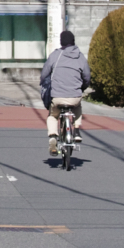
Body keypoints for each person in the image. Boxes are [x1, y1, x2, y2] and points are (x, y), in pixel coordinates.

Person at [37, 28, 90, 156]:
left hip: (57, 97)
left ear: (61, 42)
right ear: (73, 41)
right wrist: (82, 88)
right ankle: (76, 130)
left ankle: (53, 137)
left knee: (53, 116)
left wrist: (43, 81)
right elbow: (87, 77)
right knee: (77, 106)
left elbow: (44, 74)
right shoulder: (80, 56)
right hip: (75, 96)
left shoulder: (56, 55)